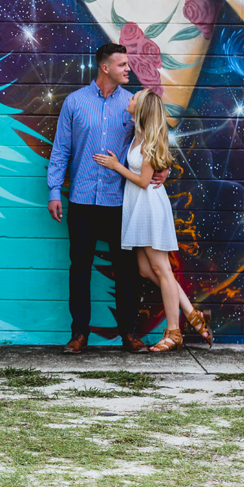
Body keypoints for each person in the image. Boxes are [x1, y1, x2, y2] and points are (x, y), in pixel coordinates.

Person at [46, 43, 167, 354]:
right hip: (83, 200)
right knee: (80, 267)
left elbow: (155, 138)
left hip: (120, 201)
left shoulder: (132, 104)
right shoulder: (75, 103)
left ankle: (129, 334)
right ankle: (79, 335)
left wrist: (166, 169)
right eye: (122, 64)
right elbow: (61, 150)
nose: (128, 69)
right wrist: (54, 191)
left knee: (126, 269)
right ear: (105, 67)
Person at [93, 88, 213, 352]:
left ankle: (173, 333)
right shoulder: (137, 134)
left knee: (162, 269)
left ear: (142, 107)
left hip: (148, 207)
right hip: (137, 207)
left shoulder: (148, 140)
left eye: (134, 97)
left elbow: (144, 181)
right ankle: (193, 315)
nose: (129, 99)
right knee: (147, 270)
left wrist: (117, 167)